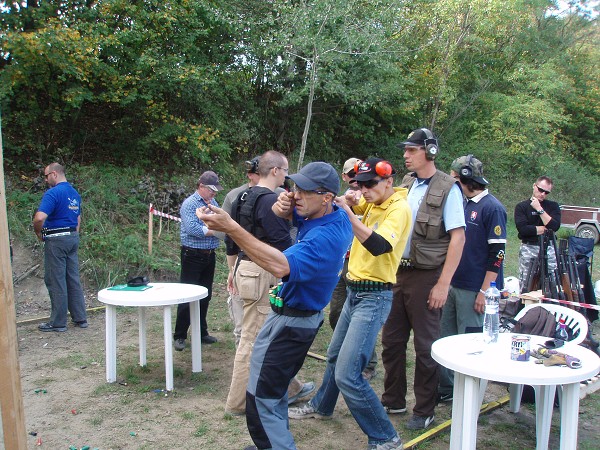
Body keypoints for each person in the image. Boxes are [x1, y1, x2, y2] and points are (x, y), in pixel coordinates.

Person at [196, 162, 352, 450]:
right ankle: (272, 442)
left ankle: (274, 445)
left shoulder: (324, 238)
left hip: (292, 324)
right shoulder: (333, 216)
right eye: (294, 187)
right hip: (291, 317)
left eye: (305, 191)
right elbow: (299, 215)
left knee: (261, 398)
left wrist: (232, 227)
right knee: (273, 389)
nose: (296, 194)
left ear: (327, 197)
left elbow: (280, 265)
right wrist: (285, 208)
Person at [288, 158, 411, 450]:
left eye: (371, 184)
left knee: (348, 374)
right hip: (355, 290)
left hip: (375, 295)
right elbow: (346, 202)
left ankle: (385, 436)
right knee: (333, 356)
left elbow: (379, 245)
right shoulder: (370, 201)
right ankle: (322, 406)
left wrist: (347, 209)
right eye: (360, 183)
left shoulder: (398, 208)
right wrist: (349, 199)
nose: (364, 190)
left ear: (389, 181)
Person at [381, 128, 466, 430]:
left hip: (427, 276)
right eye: (405, 150)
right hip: (397, 273)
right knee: (391, 341)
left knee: (426, 346)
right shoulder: (406, 184)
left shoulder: (448, 188)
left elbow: (458, 238)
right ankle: (393, 399)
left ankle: (425, 409)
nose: (405, 155)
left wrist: (443, 283)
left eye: (412, 150)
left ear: (429, 152)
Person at [224, 151, 313, 415]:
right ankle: (237, 403)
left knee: (267, 335)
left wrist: (232, 269)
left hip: (244, 267)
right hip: (262, 272)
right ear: (275, 171)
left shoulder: (242, 196)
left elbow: (232, 237)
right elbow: (281, 244)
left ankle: (291, 388)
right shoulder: (271, 200)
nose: (287, 176)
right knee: (252, 339)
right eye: (285, 171)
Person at [438, 155, 507, 401]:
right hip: (453, 284)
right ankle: (446, 391)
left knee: (469, 343)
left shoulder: (492, 208)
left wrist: (485, 290)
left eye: (454, 178)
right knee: (445, 340)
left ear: (465, 178)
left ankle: (469, 396)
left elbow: (498, 253)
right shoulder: (462, 203)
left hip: (474, 288)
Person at [328, 157, 378, 381]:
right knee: (336, 311)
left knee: (362, 318)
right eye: (352, 175)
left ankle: (368, 363)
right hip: (341, 260)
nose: (357, 180)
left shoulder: (369, 198)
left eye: (361, 176)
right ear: (345, 177)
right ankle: (345, 353)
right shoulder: (345, 198)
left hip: (361, 263)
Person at [33, 162, 88, 332]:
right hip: (72, 237)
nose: (46, 179)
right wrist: (74, 234)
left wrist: (39, 233)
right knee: (72, 279)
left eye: (46, 175)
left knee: (56, 280)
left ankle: (58, 322)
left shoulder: (53, 193)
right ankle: (80, 318)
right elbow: (78, 218)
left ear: (55, 174)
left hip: (56, 240)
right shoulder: (74, 193)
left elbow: (39, 218)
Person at [173, 170, 223, 350]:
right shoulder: (190, 204)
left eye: (215, 190)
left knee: (205, 295)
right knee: (187, 296)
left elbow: (217, 221)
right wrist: (216, 231)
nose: (214, 193)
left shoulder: (213, 203)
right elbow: (193, 228)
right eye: (211, 190)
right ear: (201, 186)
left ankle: (201, 332)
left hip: (209, 255)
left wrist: (215, 228)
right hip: (192, 255)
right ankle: (179, 335)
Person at [217, 156, 262, 346]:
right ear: (251, 175)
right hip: (242, 264)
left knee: (264, 328)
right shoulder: (235, 196)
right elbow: (226, 234)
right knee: (241, 328)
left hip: (273, 268)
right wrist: (232, 269)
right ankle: (243, 371)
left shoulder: (280, 195)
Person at [514, 176, 561, 293]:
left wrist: (539, 209)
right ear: (534, 186)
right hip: (529, 247)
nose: (543, 194)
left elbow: (555, 227)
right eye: (540, 190)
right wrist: (545, 227)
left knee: (552, 282)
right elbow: (523, 230)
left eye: (546, 192)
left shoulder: (553, 206)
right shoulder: (522, 206)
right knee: (526, 283)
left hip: (549, 248)